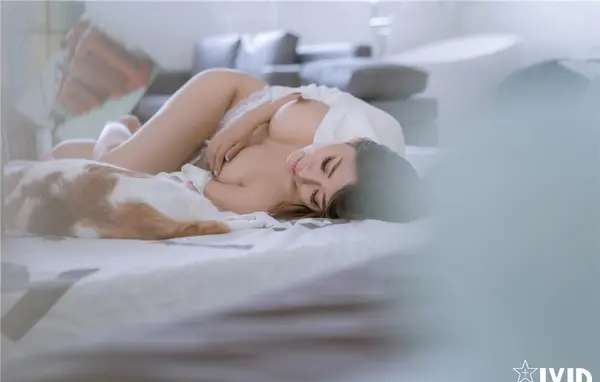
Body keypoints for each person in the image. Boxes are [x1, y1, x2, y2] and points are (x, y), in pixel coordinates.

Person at [48, 69, 422, 221]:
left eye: (315, 195)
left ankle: (134, 136)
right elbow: (309, 91)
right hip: (226, 100)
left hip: (206, 153)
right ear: (355, 141)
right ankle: (120, 126)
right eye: (327, 164)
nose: (304, 172)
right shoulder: (376, 129)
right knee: (110, 171)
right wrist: (249, 120)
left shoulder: (339, 199)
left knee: (59, 159)